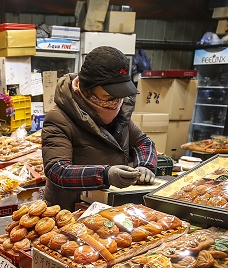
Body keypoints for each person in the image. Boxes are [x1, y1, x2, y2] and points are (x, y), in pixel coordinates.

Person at [41, 46, 157, 210]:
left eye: (120, 96)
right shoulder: (59, 119)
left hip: (109, 208)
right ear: (86, 90)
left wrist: (144, 165)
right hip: (70, 211)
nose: (115, 103)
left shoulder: (120, 114)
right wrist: (104, 175)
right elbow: (57, 170)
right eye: (108, 97)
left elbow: (144, 142)